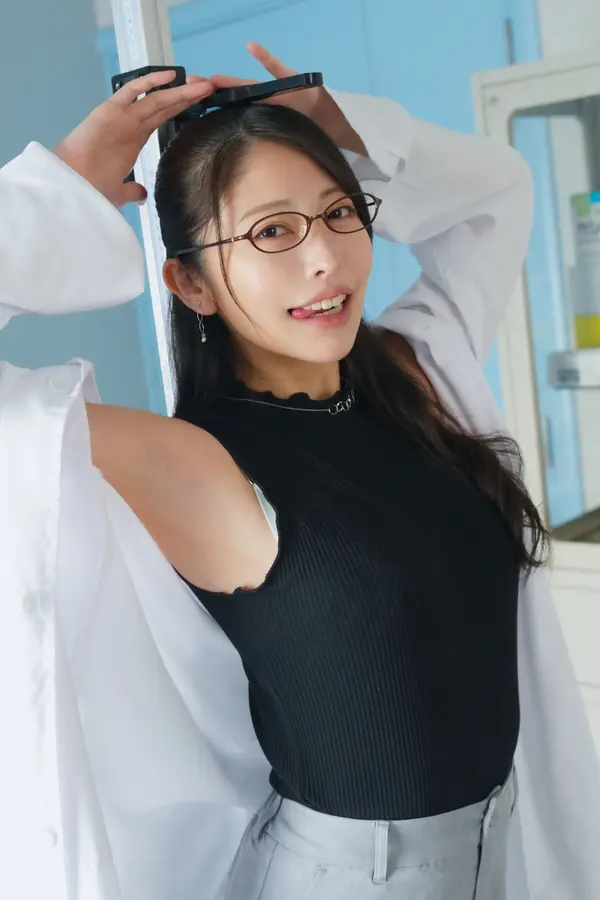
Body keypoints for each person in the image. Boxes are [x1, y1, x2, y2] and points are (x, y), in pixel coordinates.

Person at [1, 42, 600, 900]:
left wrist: (343, 125)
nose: (326, 259)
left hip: (504, 849)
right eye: (273, 232)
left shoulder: (414, 375)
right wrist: (59, 188)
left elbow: (498, 189)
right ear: (191, 284)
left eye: (338, 211)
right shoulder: (193, 462)